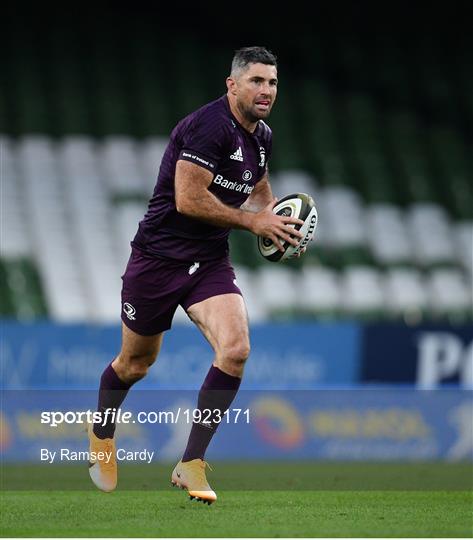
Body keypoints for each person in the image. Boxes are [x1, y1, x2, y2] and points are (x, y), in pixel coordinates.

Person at [88, 45, 304, 504]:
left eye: (273, 83)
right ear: (232, 84)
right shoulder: (208, 127)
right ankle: (102, 432)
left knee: (236, 349)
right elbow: (188, 200)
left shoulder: (261, 135)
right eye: (257, 81)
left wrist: (276, 223)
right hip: (157, 260)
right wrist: (253, 222)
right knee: (135, 364)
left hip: (207, 262)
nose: (267, 91)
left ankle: (191, 463)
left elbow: (258, 185)